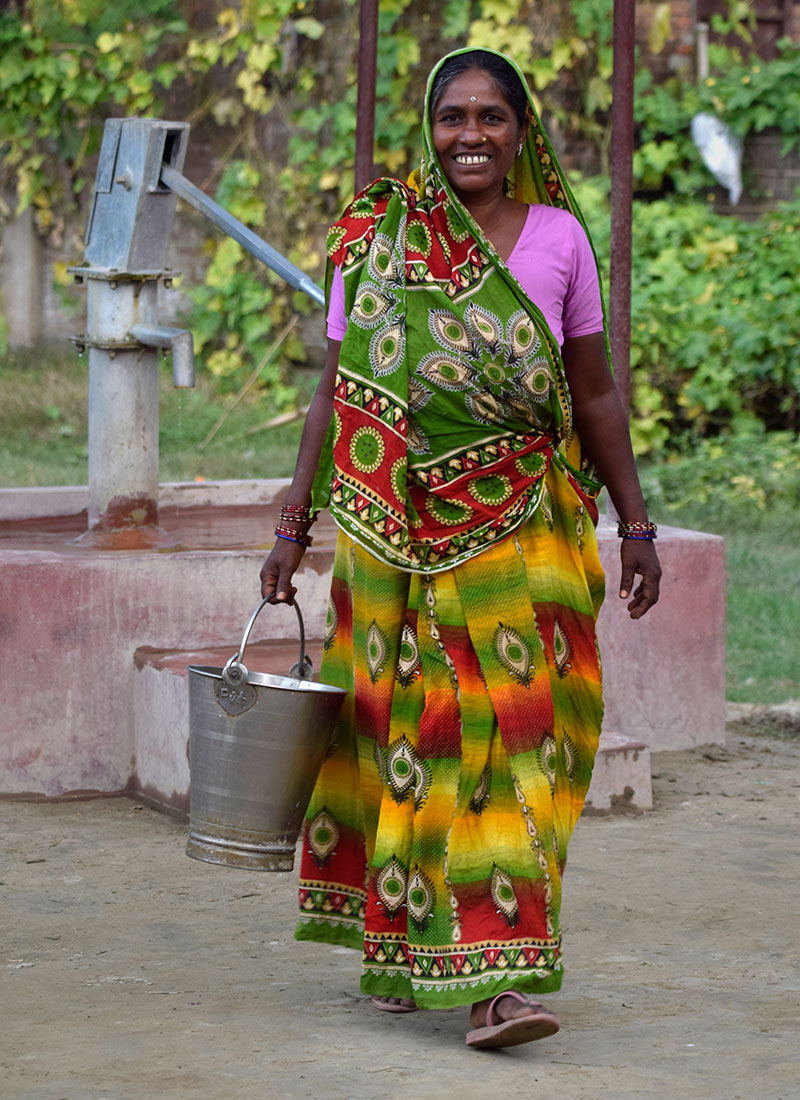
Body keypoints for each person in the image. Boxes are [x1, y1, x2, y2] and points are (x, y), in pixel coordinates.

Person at [260, 47, 661, 1050]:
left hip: (520, 524)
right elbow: (335, 391)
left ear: (522, 133)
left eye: (490, 117)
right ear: (427, 130)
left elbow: (596, 390)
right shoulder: (376, 242)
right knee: (399, 738)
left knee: (521, 737)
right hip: (387, 537)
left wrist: (636, 521)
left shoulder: (561, 240)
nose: (470, 135)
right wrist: (290, 519)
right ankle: (404, 944)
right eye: (452, 117)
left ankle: (502, 976)